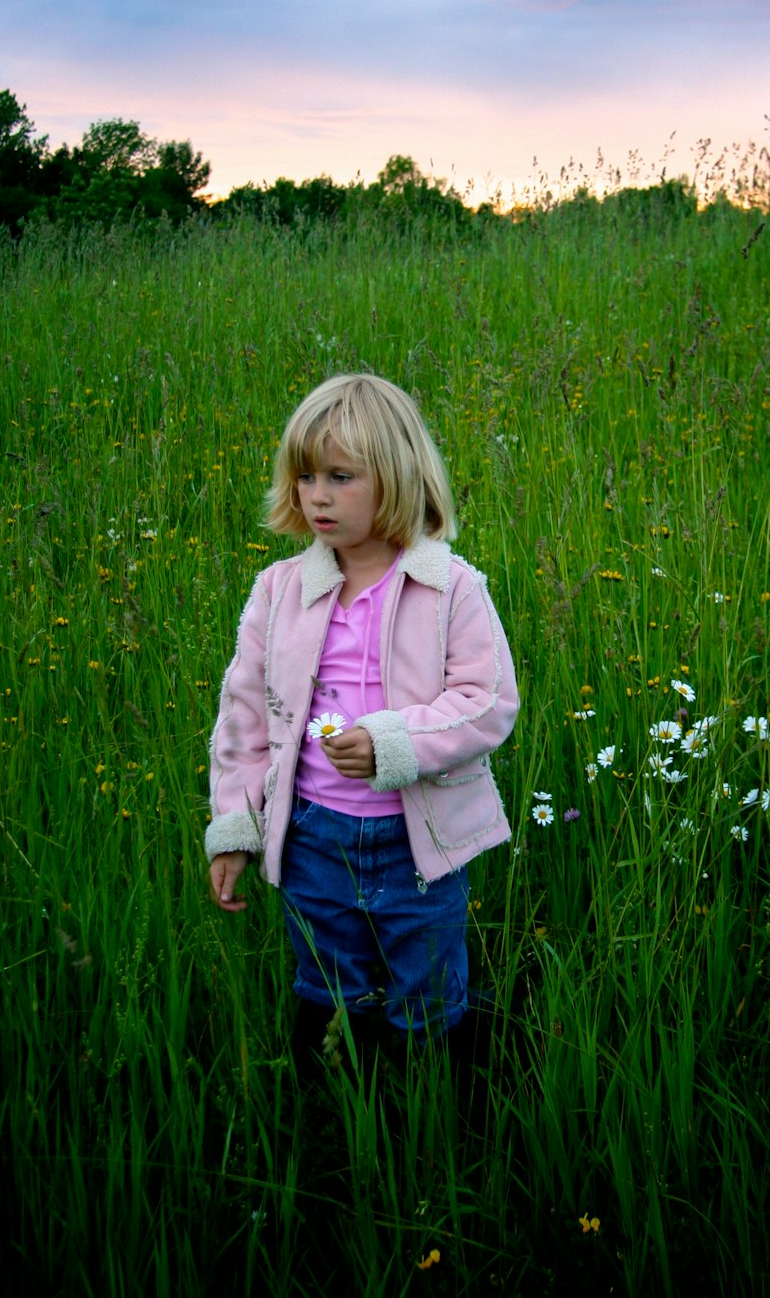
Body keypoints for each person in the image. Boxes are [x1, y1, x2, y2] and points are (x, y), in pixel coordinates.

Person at [206, 373, 518, 1061]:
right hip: (314, 835)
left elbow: (488, 701)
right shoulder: (280, 591)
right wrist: (236, 824)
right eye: (306, 475)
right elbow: (245, 716)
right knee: (325, 982)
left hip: (420, 841)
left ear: (398, 477)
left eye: (341, 476)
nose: (317, 493)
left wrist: (392, 742)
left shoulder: (449, 586)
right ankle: (333, 1117)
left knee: (428, 987)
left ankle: (430, 1114)